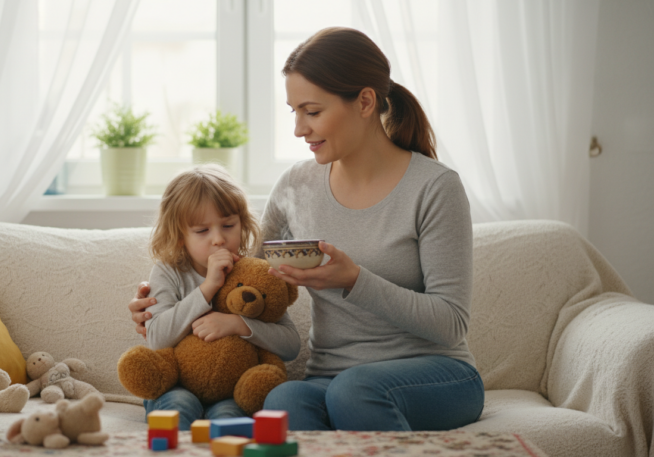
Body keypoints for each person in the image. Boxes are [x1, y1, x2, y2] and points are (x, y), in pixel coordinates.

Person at [130, 26, 484, 432]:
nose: (299, 128)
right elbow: (244, 281)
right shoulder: (295, 186)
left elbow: (451, 321)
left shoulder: (435, 188)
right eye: (294, 111)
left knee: (354, 391)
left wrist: (353, 279)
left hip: (438, 375)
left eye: (312, 112)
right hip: (328, 378)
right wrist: (161, 307)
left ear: (365, 101)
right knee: (282, 400)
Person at [139, 164, 301, 430]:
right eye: (202, 231)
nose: (218, 239)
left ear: (242, 224)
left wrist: (239, 325)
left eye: (228, 225)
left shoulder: (252, 273)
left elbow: (291, 345)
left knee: (230, 418)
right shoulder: (168, 272)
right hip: (175, 385)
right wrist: (208, 288)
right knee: (178, 407)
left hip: (230, 390)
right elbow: (156, 339)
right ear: (179, 236)